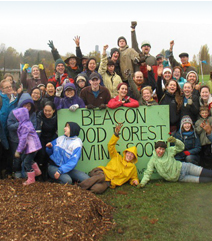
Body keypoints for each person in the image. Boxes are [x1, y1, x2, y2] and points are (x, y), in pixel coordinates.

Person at [78, 123, 139, 194]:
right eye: (128, 153)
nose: (129, 155)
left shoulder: (132, 168)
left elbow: (134, 178)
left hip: (109, 182)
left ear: (134, 157)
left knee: (97, 189)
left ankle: (86, 190)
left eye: (132, 155)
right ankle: (78, 188)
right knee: (101, 177)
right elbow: (111, 146)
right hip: (101, 173)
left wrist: (135, 181)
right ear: (125, 153)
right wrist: (116, 134)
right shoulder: (117, 157)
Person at [137, 136, 212, 188]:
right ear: (156, 148)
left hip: (184, 167)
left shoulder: (169, 151)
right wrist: (142, 183)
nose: (161, 151)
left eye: (163, 149)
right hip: (180, 178)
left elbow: (181, 147)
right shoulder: (153, 160)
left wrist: (176, 141)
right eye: (159, 148)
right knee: (204, 180)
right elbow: (148, 172)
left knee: (207, 173)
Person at [7, 93, 37, 178]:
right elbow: (9, 126)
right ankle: (16, 170)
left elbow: (34, 126)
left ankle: (25, 173)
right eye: (25, 105)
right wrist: (20, 124)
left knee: (26, 158)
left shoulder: (33, 114)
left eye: (29, 106)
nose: (27, 108)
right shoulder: (14, 113)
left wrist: (27, 128)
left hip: (27, 140)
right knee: (16, 157)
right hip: (15, 140)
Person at [13, 107, 42, 185]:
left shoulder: (24, 126)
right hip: (33, 146)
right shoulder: (26, 123)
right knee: (27, 159)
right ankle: (36, 171)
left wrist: (18, 150)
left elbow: (23, 139)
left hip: (32, 147)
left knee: (26, 162)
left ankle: (31, 178)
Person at [0, 79, 19, 178]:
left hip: (11, 129)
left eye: (10, 86)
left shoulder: (15, 99)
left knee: (9, 151)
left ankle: (8, 171)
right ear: (1, 89)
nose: (9, 88)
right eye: (6, 87)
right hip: (1, 129)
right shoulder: (1, 99)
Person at [36, 101, 58, 181]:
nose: (47, 113)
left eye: (49, 111)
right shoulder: (40, 116)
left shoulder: (57, 117)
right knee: (41, 154)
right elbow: (38, 129)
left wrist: (53, 141)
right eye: (45, 110)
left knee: (51, 156)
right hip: (41, 138)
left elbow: (57, 130)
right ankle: (40, 174)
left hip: (52, 137)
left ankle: (49, 174)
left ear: (54, 110)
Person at [157, 68, 183, 133]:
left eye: (174, 85)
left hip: (174, 128)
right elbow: (158, 88)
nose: (172, 87)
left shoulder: (179, 98)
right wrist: (159, 76)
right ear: (167, 87)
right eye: (171, 85)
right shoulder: (162, 95)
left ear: (176, 88)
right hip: (163, 125)